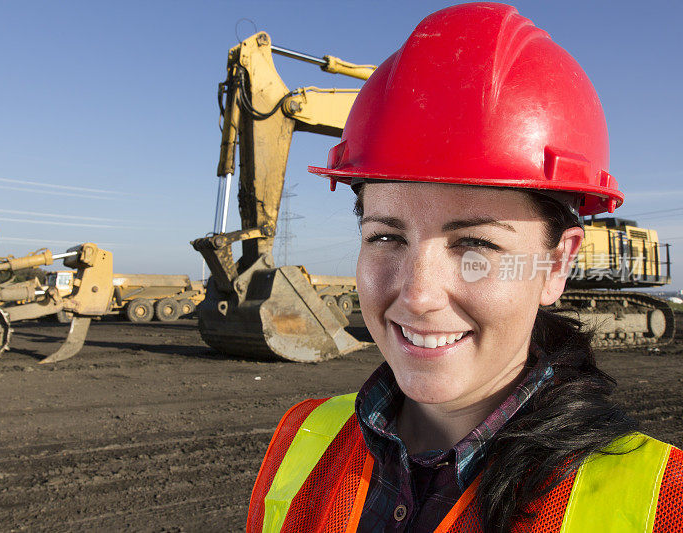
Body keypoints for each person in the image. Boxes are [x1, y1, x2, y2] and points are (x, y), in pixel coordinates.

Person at [246, 3, 683, 533]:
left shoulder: (662, 504)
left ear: (556, 265)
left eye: (475, 245)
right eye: (385, 236)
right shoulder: (302, 442)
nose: (418, 295)